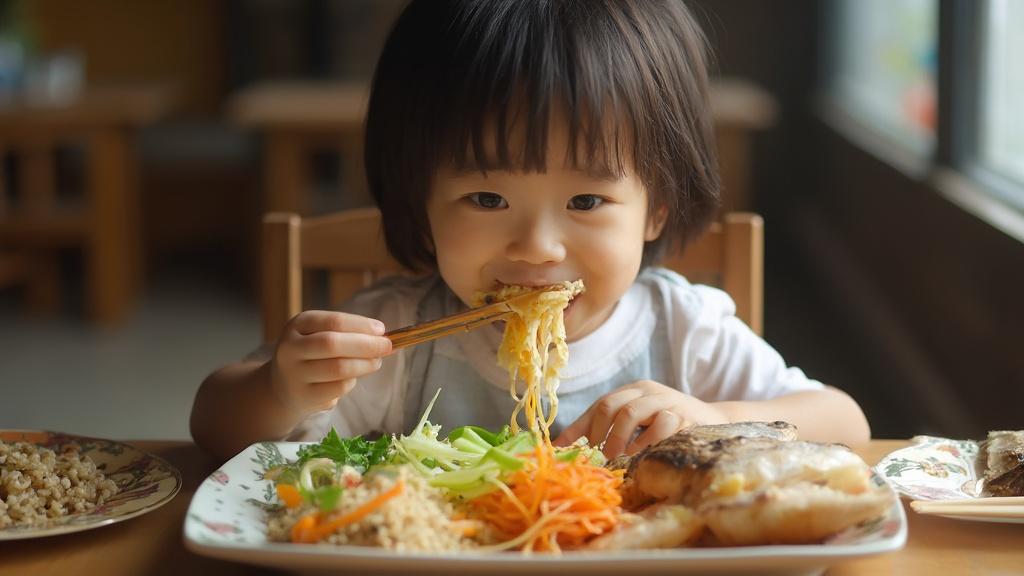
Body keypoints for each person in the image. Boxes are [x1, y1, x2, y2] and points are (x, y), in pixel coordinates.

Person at [191, 0, 870, 461]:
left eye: (586, 200)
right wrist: (279, 390)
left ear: (656, 207)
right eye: (486, 197)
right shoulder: (394, 338)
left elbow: (846, 426)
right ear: (420, 199)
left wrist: (717, 420)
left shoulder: (682, 329)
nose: (538, 247)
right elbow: (217, 433)